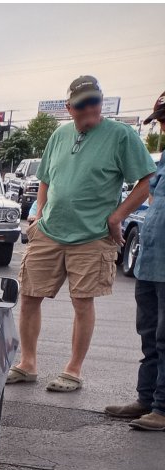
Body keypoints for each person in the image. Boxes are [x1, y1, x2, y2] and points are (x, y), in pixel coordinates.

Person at [7, 76, 156, 392]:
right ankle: (27, 363)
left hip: (91, 237)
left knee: (82, 302)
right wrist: (37, 215)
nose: (90, 108)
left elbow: (146, 182)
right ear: (69, 107)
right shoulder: (59, 134)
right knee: (30, 297)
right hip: (49, 232)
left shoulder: (121, 136)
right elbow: (45, 178)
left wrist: (118, 217)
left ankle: (72, 370)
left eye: (95, 101)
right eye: (82, 103)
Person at [105, 92, 165, 429]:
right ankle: (147, 399)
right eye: (160, 119)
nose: (163, 125)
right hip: (151, 260)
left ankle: (162, 408)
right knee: (149, 334)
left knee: (164, 338)